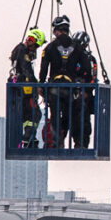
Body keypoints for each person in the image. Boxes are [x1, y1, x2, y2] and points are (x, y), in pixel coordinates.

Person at [38, 15, 85, 149]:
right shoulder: (77, 47)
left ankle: (57, 143)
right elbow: (86, 68)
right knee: (71, 114)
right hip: (70, 89)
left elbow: (44, 68)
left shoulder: (50, 47)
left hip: (54, 89)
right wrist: (79, 81)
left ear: (56, 30)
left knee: (55, 116)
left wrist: (41, 85)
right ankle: (78, 143)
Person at [9, 29, 44, 150]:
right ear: (31, 40)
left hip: (21, 91)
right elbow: (26, 70)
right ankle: (28, 138)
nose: (35, 49)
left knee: (29, 116)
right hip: (25, 91)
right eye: (36, 46)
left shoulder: (19, 50)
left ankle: (29, 138)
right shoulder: (22, 51)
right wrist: (37, 86)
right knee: (35, 114)